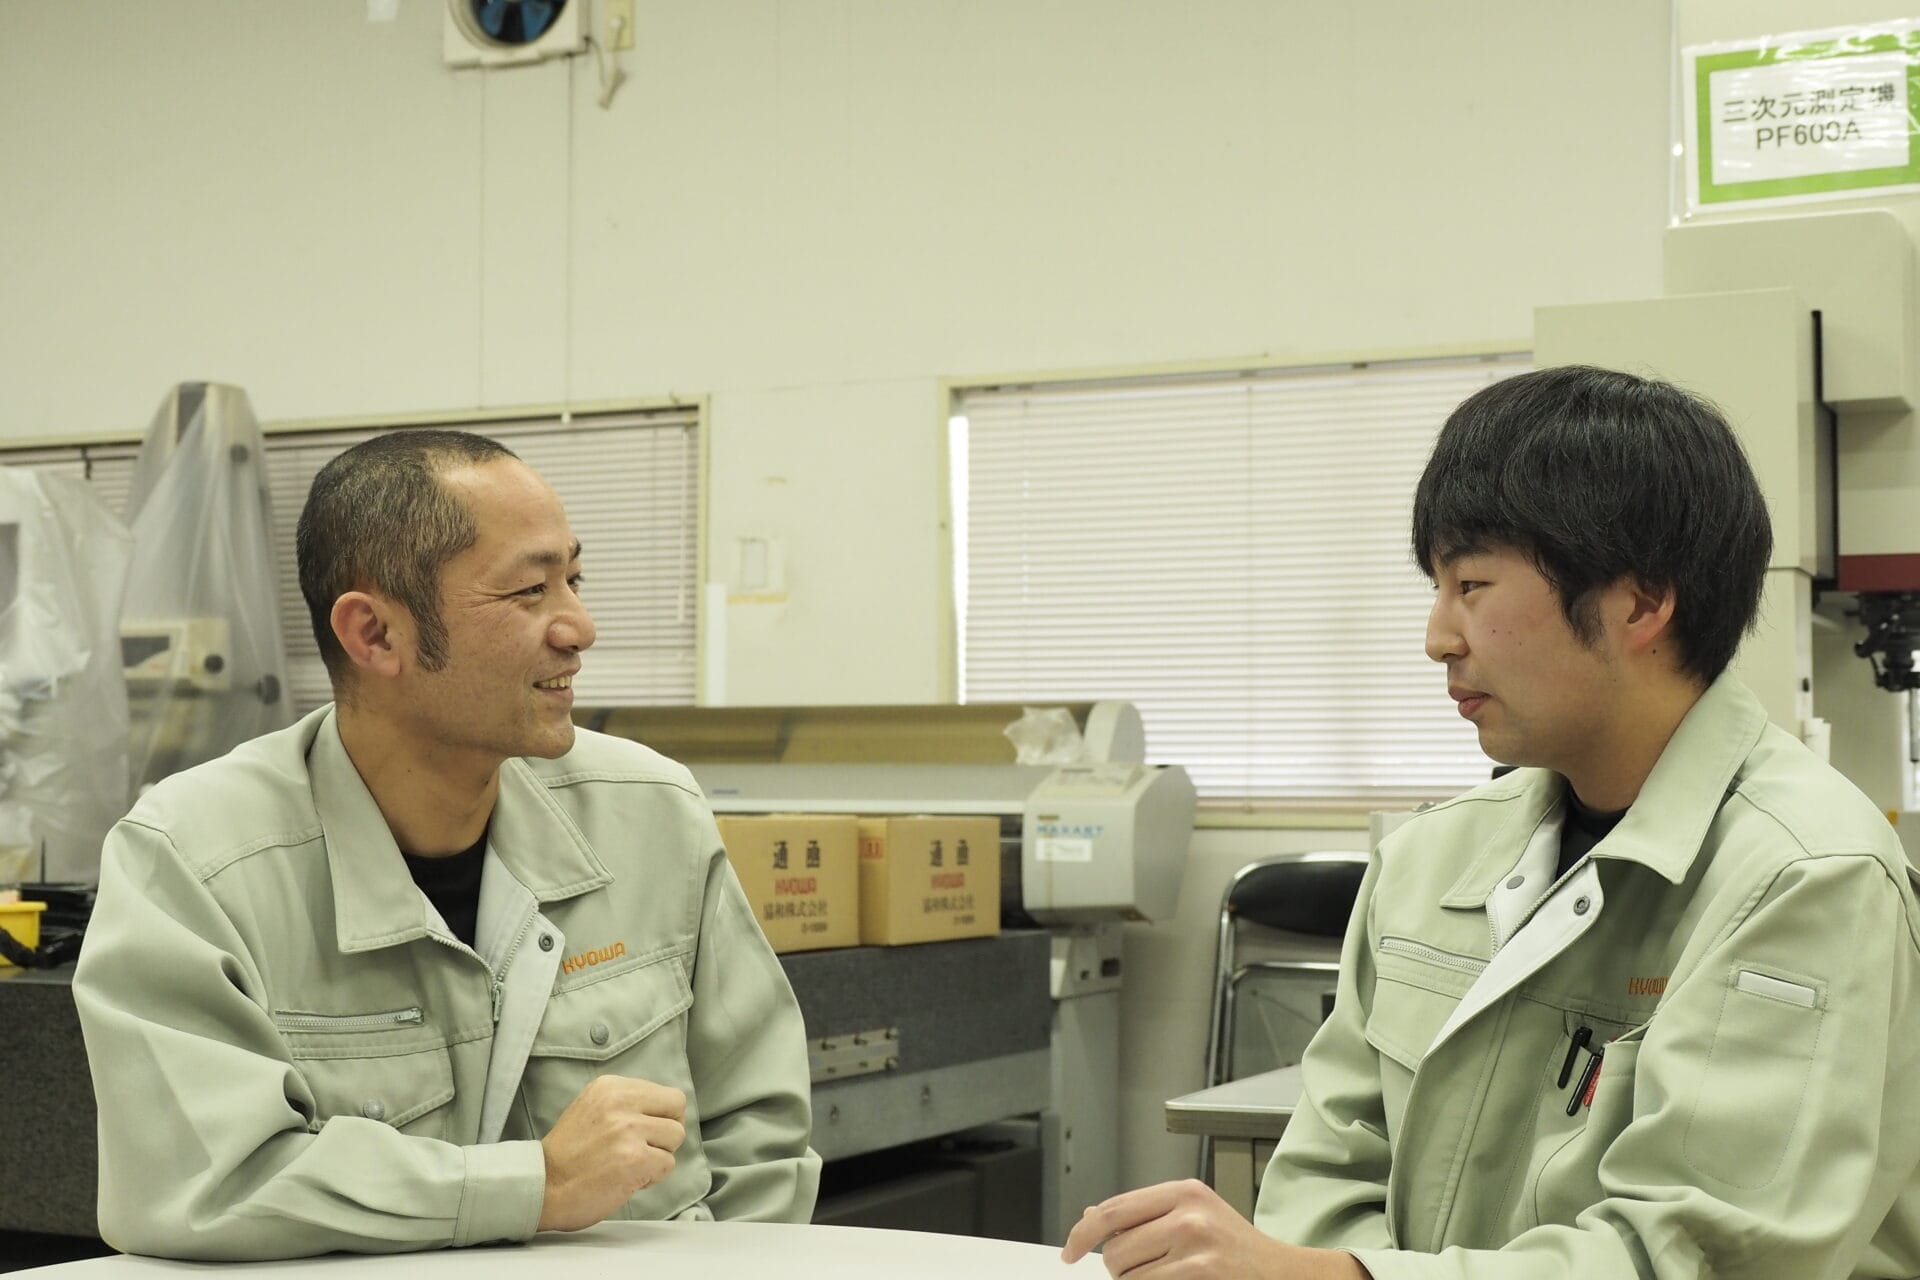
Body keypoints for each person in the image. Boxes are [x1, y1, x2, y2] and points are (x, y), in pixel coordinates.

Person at [1062, 365, 1920, 1278]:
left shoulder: (1806, 877)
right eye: (1438, 588)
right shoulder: (1433, 857)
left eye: (1472, 584)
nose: (1438, 636)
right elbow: (1325, 1170)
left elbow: (1693, 1259)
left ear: (1640, 602)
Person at [74, 430, 819, 1260]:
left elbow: (761, 1135)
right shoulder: (190, 861)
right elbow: (201, 1184)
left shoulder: (652, 816)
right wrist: (536, 1185)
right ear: (374, 635)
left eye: (573, 580)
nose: (579, 627)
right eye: (529, 591)